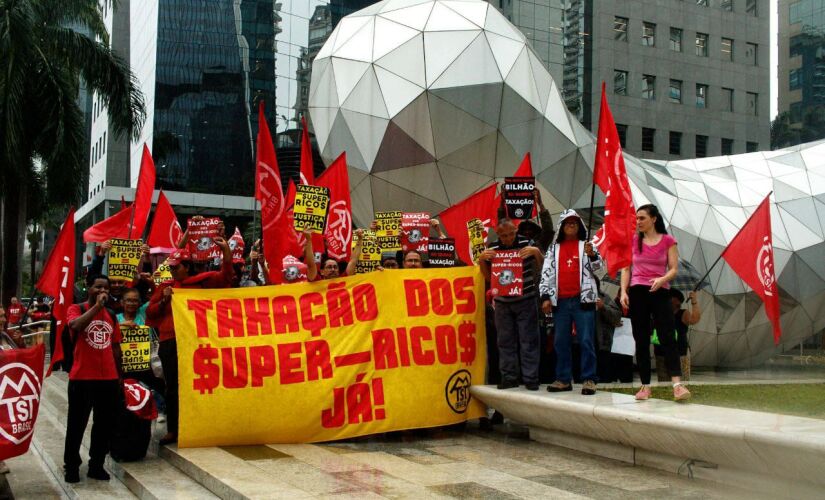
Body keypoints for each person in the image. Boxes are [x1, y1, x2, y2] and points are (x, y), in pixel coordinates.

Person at [146, 237, 233, 445]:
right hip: (171, 342)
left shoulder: (202, 282)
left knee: (203, 383)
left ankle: (202, 425)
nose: (173, 272)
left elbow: (226, 277)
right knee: (172, 386)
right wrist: (165, 299)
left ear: (186, 267)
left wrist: (226, 251)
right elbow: (150, 312)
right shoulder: (166, 287)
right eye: (172, 268)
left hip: (198, 341)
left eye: (176, 268)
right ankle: (173, 430)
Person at [619, 204, 690, 401]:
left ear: (653, 219)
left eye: (642, 218)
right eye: (637, 219)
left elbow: (674, 268)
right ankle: (645, 386)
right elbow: (626, 269)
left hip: (660, 291)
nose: (638, 222)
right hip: (638, 292)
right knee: (641, 339)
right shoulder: (633, 241)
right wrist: (624, 291)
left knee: (668, 336)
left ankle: (677, 385)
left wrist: (662, 279)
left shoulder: (668, 241)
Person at [63, 275, 122, 483]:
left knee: (103, 425)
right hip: (82, 378)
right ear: (89, 288)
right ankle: (71, 466)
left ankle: (96, 465)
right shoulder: (76, 309)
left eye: (105, 288)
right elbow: (76, 326)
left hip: (108, 379)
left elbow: (116, 347)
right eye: (98, 287)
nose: (102, 291)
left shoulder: (112, 315)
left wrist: (119, 377)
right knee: (76, 424)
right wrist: (97, 308)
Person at [539, 210, 603, 395]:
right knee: (560, 341)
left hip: (583, 300)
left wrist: (592, 256)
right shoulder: (553, 249)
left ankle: (589, 379)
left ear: (580, 226)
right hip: (561, 302)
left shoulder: (587, 246)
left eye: (575, 222)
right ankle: (563, 379)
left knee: (585, 340)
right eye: (568, 222)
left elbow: (598, 269)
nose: (571, 224)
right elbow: (547, 273)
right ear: (561, 226)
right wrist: (545, 297)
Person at [478, 218, 543, 390]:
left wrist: (536, 252)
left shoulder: (527, 243)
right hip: (502, 302)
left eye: (511, 234)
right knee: (505, 341)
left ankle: (530, 378)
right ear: (497, 234)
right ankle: (509, 377)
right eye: (504, 235)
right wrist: (481, 261)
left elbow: (544, 267)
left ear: (516, 230)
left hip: (526, 299)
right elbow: (488, 278)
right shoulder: (492, 248)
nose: (508, 238)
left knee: (528, 340)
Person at [655, 289, 701, 381]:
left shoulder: (683, 313)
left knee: (682, 381)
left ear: (676, 300)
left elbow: (694, 319)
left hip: (680, 353)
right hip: (661, 353)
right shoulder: (659, 312)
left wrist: (694, 301)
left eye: (669, 298)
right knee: (663, 382)